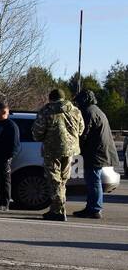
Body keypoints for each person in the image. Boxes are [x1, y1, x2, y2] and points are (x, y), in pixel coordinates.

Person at [31, 88, 84, 222]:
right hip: (70, 150)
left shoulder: (46, 111)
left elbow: (38, 132)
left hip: (52, 150)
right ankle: (56, 208)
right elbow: (81, 130)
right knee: (62, 181)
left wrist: (42, 138)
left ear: (51, 98)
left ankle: (59, 210)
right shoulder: (75, 110)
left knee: (54, 180)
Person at [73, 89, 115, 219]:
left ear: (84, 100)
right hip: (99, 151)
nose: (77, 104)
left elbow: (83, 133)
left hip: (94, 153)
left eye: (79, 100)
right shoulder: (96, 110)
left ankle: (94, 209)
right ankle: (92, 207)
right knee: (94, 181)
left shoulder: (88, 112)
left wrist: (76, 146)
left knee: (93, 181)